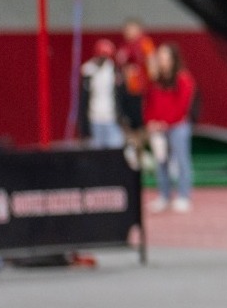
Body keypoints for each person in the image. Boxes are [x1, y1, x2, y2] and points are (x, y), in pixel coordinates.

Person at [144, 42, 197, 212]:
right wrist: (151, 121)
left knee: (182, 161)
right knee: (161, 162)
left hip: (178, 127)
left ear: (174, 59)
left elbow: (182, 106)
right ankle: (164, 196)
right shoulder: (154, 80)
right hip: (158, 129)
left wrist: (166, 122)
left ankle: (183, 196)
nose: (162, 60)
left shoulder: (184, 78)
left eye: (165, 57)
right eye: (160, 57)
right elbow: (149, 104)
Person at [114, 18, 155, 169]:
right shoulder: (124, 48)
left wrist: (150, 85)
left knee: (143, 125)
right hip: (127, 91)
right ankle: (137, 153)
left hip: (141, 91)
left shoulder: (145, 43)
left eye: (132, 28)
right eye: (127, 29)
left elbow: (151, 63)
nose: (128, 31)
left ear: (139, 29)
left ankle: (142, 152)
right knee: (129, 125)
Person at [78, 39, 127, 150]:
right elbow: (84, 99)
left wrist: (122, 116)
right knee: (97, 153)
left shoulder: (113, 69)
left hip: (111, 117)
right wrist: (83, 126)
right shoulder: (88, 70)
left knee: (116, 150)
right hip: (95, 117)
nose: (103, 59)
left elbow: (120, 95)